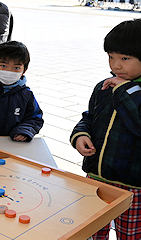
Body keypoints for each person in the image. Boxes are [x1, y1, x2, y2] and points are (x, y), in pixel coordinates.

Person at [70, 19, 141, 239]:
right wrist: (80, 135)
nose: (115, 65)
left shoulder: (125, 90)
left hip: (132, 187)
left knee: (130, 235)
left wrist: (123, 92)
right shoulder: (104, 87)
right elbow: (89, 117)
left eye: (125, 58)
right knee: (92, 229)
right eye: (111, 56)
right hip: (96, 178)